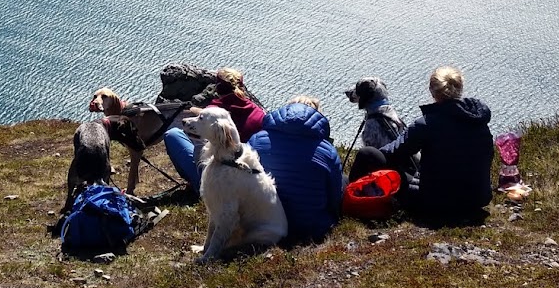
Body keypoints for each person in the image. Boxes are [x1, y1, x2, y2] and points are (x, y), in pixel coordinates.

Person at [371, 66, 495, 226]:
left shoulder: (427, 123)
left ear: (432, 91)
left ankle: (352, 202)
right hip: (477, 199)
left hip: (436, 203)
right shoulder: (479, 121)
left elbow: (394, 152)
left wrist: (374, 155)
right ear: (460, 88)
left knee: (370, 156)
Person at [248, 96, 342, 245]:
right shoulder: (327, 151)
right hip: (311, 228)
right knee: (342, 179)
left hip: (265, 226)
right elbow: (334, 196)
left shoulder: (256, 141)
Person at [162, 67, 266, 193]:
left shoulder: (213, 115)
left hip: (216, 181)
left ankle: (196, 184)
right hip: (251, 177)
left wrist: (197, 112)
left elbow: (199, 152)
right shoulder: (258, 112)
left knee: (172, 134)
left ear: (217, 88)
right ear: (241, 87)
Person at [342, 77, 410, 183]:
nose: (351, 93)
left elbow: (370, 162)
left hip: (388, 180)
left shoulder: (373, 126)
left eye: (357, 90)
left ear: (365, 97)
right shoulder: (394, 117)